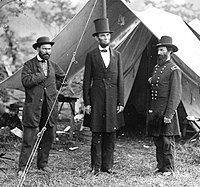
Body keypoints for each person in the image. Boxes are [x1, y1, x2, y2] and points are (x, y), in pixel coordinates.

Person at [18, 36, 65, 176]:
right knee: (29, 138)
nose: (47, 51)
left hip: (49, 106)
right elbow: (26, 81)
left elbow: (62, 77)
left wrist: (52, 89)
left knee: (48, 136)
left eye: (49, 49)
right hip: (33, 107)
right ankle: (22, 167)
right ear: (37, 49)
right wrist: (41, 76)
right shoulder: (28, 65)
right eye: (44, 48)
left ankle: (42, 164)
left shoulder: (53, 65)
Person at [83, 18, 124, 175]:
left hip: (113, 99)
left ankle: (108, 166)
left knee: (111, 133)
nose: (106, 38)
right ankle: (96, 167)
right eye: (102, 35)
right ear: (96, 38)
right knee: (97, 132)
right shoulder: (91, 55)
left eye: (107, 35)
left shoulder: (117, 55)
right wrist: (87, 102)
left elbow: (121, 79)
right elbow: (87, 81)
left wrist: (121, 101)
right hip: (97, 99)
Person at [148, 36, 182, 176]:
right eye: (158, 50)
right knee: (157, 139)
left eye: (162, 50)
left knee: (167, 141)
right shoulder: (156, 68)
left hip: (166, 109)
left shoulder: (174, 69)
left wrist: (169, 114)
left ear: (169, 52)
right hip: (156, 109)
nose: (158, 53)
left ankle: (169, 168)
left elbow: (175, 95)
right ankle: (160, 166)